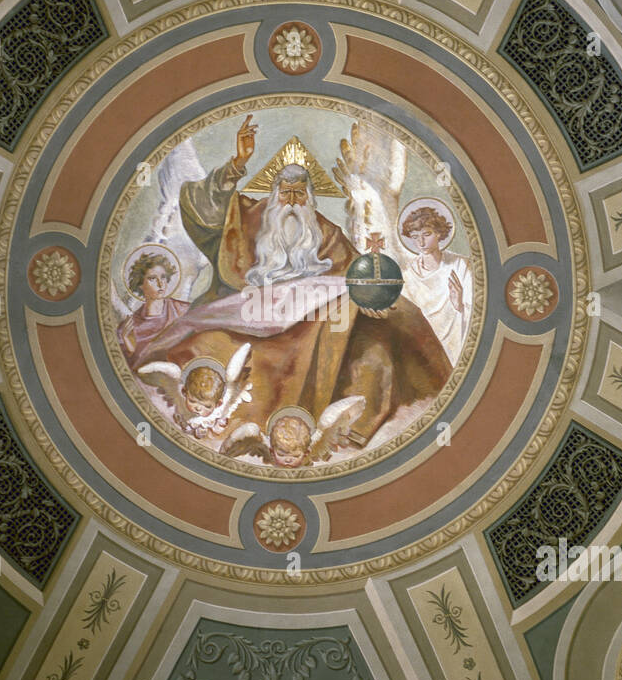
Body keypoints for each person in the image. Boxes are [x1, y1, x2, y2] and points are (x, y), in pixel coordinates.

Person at [137, 115, 451, 447]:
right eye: (285, 191)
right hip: (245, 318)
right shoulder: (251, 216)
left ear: (310, 199)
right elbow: (202, 208)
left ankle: (345, 434)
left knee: (382, 337)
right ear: (273, 194)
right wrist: (237, 164)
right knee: (207, 348)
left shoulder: (325, 231)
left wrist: (370, 299)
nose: (291, 200)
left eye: (299, 194)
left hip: (317, 326)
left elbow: (354, 278)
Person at [400, 203, 472, 366]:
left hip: (456, 343)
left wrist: (459, 305)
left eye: (426, 234)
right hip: (423, 345)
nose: (421, 242)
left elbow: (479, 313)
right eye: (415, 236)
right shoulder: (407, 275)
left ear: (439, 233)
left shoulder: (460, 265)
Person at [117, 249, 189, 362]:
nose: (160, 283)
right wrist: (131, 349)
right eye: (152, 278)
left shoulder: (182, 310)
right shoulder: (128, 328)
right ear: (140, 284)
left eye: (163, 277)